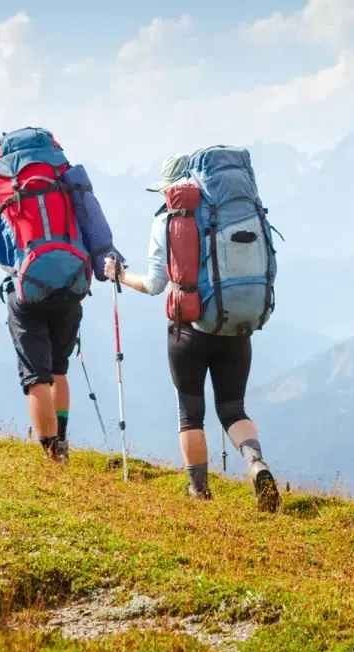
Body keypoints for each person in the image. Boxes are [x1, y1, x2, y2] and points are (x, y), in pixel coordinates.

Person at [104, 152, 281, 512]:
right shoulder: (235, 209)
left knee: (191, 412)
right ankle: (255, 462)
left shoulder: (169, 218)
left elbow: (155, 284)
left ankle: (198, 492)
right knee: (233, 408)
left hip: (189, 330)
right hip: (234, 325)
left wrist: (120, 275)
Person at [0, 127, 122, 464]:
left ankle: (54, 457)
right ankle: (63, 441)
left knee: (35, 375)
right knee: (58, 368)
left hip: (23, 294)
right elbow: (98, 235)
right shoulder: (70, 183)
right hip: (71, 287)